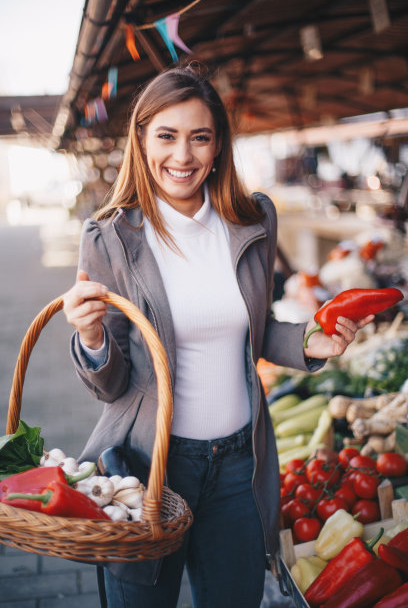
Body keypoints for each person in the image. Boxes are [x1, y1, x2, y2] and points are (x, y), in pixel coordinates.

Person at [62, 63, 374, 608]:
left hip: (238, 464)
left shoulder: (252, 220)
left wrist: (306, 342)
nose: (182, 156)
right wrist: (91, 337)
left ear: (218, 145)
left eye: (199, 138)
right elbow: (112, 387)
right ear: (141, 138)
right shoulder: (110, 238)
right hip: (150, 469)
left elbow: (250, 334)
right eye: (167, 136)